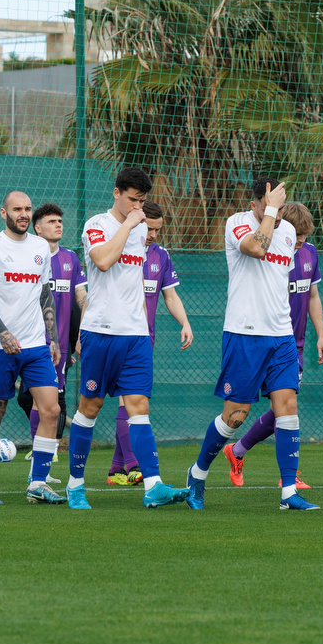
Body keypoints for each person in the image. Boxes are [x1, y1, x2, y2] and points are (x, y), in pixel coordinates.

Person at [185, 176, 319, 511]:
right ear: (255, 203)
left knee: (287, 407)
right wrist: (272, 211)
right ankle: (197, 474)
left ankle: (289, 493)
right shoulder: (237, 223)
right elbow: (256, 247)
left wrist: (276, 213)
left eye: (278, 203)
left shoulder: (288, 233)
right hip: (244, 335)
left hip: (281, 336)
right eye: (268, 203)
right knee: (235, 417)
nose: (274, 209)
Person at [62, 167, 191, 509]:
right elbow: (103, 261)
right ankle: (75, 486)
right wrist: (130, 224)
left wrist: (138, 226)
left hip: (135, 335)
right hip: (100, 332)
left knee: (139, 408)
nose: (138, 206)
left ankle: (153, 485)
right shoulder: (97, 224)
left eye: (142, 201)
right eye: (133, 199)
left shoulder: (141, 234)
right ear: (116, 192)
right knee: (90, 407)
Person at [0, 190, 64, 505]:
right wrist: (3, 332)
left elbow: (44, 294)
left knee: (51, 411)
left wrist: (51, 337)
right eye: (17, 209)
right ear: (4, 213)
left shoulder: (41, 247)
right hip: (0, 347)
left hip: (37, 346)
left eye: (27, 209)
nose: (23, 214)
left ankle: (37, 483)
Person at [225, 202, 323, 488]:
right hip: (256, 338)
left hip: (293, 344)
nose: (302, 243)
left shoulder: (309, 253)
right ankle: (227, 452)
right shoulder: (270, 256)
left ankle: (277, 470)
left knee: (286, 406)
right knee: (240, 410)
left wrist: (320, 335)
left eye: (305, 238)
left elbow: (314, 296)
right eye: (298, 237)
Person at [107, 199, 191, 482]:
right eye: (150, 228)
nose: (154, 235)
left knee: (132, 401)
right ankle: (134, 465)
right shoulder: (120, 246)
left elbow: (170, 295)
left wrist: (185, 322)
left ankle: (117, 468)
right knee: (128, 401)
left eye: (158, 230)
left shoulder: (160, 255)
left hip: (145, 339)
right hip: (117, 336)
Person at [18, 202, 85, 449]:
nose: (58, 225)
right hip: (29, 340)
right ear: (37, 228)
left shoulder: (70, 258)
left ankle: (44, 452)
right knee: (23, 398)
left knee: (50, 400)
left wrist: (80, 335)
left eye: (60, 221)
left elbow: (82, 298)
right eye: (51, 221)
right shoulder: (27, 257)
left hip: (59, 345)